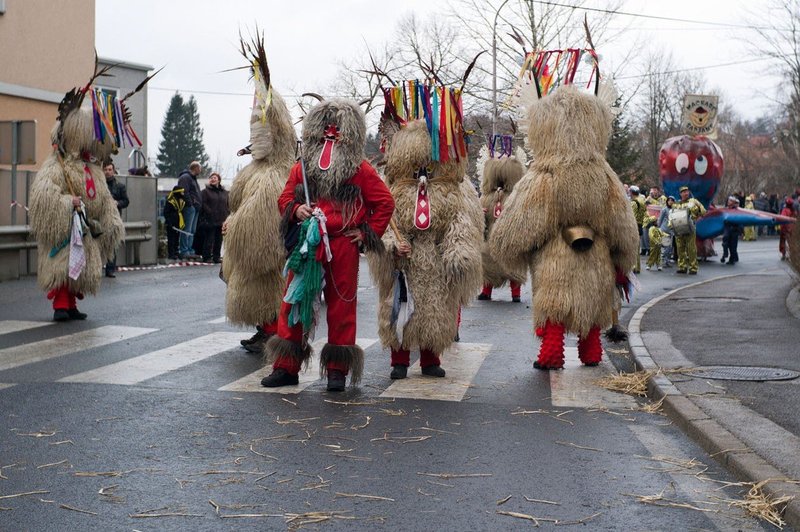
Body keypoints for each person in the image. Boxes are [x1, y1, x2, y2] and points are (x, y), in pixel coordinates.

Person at [489, 83, 640, 371]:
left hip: (555, 253)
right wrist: (623, 255)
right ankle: (591, 352)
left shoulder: (545, 173)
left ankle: (551, 355)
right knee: (592, 306)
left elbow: (524, 220)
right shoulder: (604, 175)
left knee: (555, 305)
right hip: (598, 255)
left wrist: (510, 249)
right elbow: (622, 222)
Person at [260, 98, 395, 392]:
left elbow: (384, 203)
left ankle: (337, 370)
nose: (331, 135)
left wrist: (366, 232)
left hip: (342, 246)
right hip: (308, 245)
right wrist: (296, 210)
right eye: (326, 130)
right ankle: (286, 367)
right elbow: (284, 198)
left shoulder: (361, 170)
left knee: (341, 308)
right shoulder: (303, 167)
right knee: (293, 303)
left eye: (337, 130)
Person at [367, 81, 483, 381]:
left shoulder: (450, 192)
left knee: (434, 310)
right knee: (399, 310)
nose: (422, 172)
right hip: (403, 264)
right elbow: (383, 224)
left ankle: (431, 358)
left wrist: (457, 250)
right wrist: (392, 245)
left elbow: (459, 222)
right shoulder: (393, 191)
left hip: (434, 261)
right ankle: (400, 360)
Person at [29, 76, 125, 321]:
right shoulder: (57, 165)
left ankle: (71, 304)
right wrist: (65, 202)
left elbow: (102, 197)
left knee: (78, 269)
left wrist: (110, 215)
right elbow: (43, 194)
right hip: (66, 230)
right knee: (63, 266)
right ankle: (61, 304)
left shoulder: (93, 168)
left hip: (85, 230)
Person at [223, 38, 297, 354]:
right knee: (258, 291)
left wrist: (235, 225)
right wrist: (233, 220)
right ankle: (262, 328)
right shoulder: (255, 169)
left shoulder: (274, 176)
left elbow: (257, 222)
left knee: (269, 288)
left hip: (270, 252)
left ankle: (270, 330)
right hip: (252, 256)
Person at [476, 137, 526, 302]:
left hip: (510, 239)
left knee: (511, 264)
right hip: (491, 237)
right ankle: (488, 291)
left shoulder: (515, 197)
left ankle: (514, 293)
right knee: (489, 262)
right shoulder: (488, 197)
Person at [102, 162, 129, 278]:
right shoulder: (99, 185)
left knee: (112, 244)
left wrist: (117, 203)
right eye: (105, 170)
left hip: (114, 218)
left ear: (113, 171)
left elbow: (126, 201)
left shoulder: (120, 186)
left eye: (109, 170)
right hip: (100, 218)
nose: (107, 172)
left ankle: (110, 269)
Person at [672, 185, 706, 274]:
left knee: (691, 248)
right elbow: (671, 216)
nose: (685, 193)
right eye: (683, 192)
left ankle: (693, 267)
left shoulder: (694, 201)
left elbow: (703, 211)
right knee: (680, 248)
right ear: (680, 194)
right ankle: (682, 266)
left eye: (687, 191)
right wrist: (671, 226)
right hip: (678, 229)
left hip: (690, 227)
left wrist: (698, 213)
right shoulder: (676, 204)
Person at [199, 172, 228, 263]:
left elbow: (227, 204)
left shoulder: (224, 192)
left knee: (219, 240)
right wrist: (209, 212)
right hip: (210, 219)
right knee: (209, 239)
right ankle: (207, 257)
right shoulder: (205, 192)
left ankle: (216, 257)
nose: (212, 179)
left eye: (215, 177)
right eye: (211, 178)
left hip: (221, 219)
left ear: (219, 180)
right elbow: (203, 204)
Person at [176, 161, 203, 260]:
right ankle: (184, 250)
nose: (201, 170)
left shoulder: (193, 179)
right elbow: (183, 191)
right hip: (189, 208)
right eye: (200, 168)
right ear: (195, 168)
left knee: (192, 230)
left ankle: (190, 249)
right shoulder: (185, 178)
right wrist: (190, 204)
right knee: (186, 229)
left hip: (195, 208)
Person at [163, 186, 185, 260]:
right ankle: (171, 254)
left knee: (176, 238)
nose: (183, 193)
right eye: (182, 192)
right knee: (171, 239)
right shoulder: (170, 201)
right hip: (171, 223)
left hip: (178, 222)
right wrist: (169, 222)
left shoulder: (181, 200)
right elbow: (166, 212)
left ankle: (176, 252)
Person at [629, 185, 646, 272]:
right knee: (637, 247)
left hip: (634, 226)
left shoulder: (633, 203)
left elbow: (632, 217)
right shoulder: (642, 201)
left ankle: (634, 266)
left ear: (631, 192)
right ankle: (638, 267)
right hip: (640, 225)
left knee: (633, 248)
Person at [720, 196, 742, 265]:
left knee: (733, 246)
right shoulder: (726, 209)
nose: (729, 202)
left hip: (734, 229)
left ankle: (732, 259)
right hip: (727, 228)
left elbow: (739, 221)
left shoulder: (736, 210)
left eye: (730, 201)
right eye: (729, 200)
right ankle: (725, 254)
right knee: (725, 242)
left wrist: (740, 230)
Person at [657, 196, 676, 268]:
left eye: (672, 201)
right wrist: (658, 228)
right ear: (667, 201)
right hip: (664, 230)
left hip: (671, 231)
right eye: (669, 200)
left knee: (670, 247)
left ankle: (667, 260)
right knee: (666, 245)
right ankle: (663, 261)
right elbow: (660, 219)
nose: (670, 202)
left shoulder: (675, 210)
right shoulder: (664, 209)